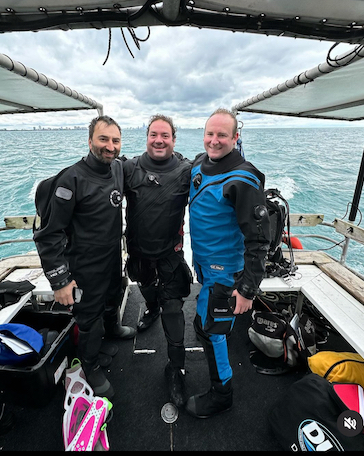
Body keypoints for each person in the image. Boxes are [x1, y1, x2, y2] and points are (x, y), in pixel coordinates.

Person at [33, 115, 134, 400]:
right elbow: (49, 235)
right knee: (89, 318)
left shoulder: (117, 169)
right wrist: (60, 281)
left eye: (115, 140)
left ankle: (112, 329)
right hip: (83, 264)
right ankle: (90, 365)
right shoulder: (71, 179)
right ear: (90, 141)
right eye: (103, 139)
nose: (110, 146)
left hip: (111, 255)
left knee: (113, 295)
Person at [186, 108, 271, 418]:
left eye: (222, 135)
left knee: (214, 332)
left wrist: (248, 290)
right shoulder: (199, 163)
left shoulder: (243, 179)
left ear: (236, 137)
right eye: (210, 133)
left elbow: (259, 240)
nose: (214, 140)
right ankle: (205, 322)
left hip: (225, 273)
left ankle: (222, 393)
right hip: (205, 265)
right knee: (206, 318)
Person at [123, 114, 192, 407]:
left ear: (174, 139)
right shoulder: (128, 168)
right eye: (154, 134)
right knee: (145, 287)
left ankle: (176, 367)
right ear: (146, 137)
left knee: (173, 309)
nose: (159, 140)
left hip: (170, 254)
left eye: (165, 135)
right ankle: (151, 307)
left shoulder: (188, 170)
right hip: (139, 252)